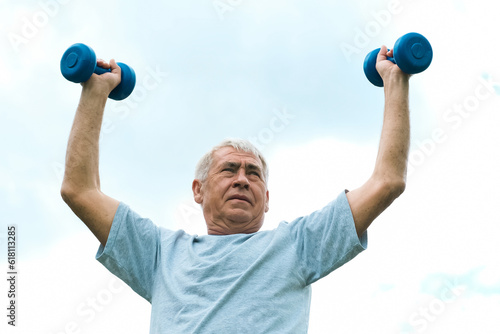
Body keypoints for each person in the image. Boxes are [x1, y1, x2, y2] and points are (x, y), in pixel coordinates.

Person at [61, 45, 410, 333]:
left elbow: (387, 182)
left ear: (267, 199)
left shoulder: (296, 245)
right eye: (229, 170)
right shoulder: (158, 253)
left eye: (254, 174)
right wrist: (95, 92)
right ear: (198, 190)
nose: (242, 179)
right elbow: (80, 191)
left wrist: (396, 79)